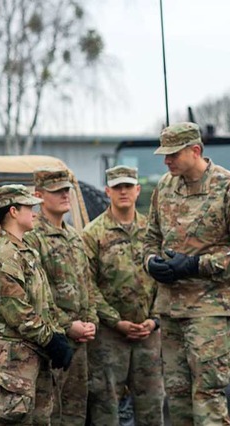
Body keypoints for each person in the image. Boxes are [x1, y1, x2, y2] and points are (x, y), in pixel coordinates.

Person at [143, 122, 230, 426]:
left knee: (207, 394)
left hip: (208, 308)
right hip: (169, 308)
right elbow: (150, 238)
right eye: (164, 155)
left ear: (195, 150)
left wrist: (196, 265)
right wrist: (151, 262)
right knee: (177, 395)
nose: (166, 161)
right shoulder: (165, 188)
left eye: (173, 154)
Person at [82, 166, 164, 425]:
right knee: (106, 407)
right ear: (108, 191)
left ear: (138, 190)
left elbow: (165, 278)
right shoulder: (92, 234)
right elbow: (87, 285)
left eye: (128, 186)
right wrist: (115, 321)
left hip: (147, 335)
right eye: (117, 187)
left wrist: (154, 319)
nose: (123, 191)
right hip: (109, 337)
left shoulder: (153, 231)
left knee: (151, 406)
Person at [0, 185, 73, 425]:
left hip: (34, 354)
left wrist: (57, 334)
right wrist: (52, 339)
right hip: (15, 361)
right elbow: (18, 312)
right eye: (29, 207)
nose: (35, 212)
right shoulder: (6, 256)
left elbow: (43, 303)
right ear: (13, 211)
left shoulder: (25, 251)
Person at [24, 167, 99, 425]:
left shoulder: (74, 237)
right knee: (51, 414)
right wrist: (69, 326)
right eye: (57, 191)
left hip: (81, 341)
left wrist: (90, 322)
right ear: (39, 195)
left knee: (76, 412)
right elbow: (35, 296)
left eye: (66, 190)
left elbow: (86, 284)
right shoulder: (33, 238)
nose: (65, 195)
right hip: (54, 341)